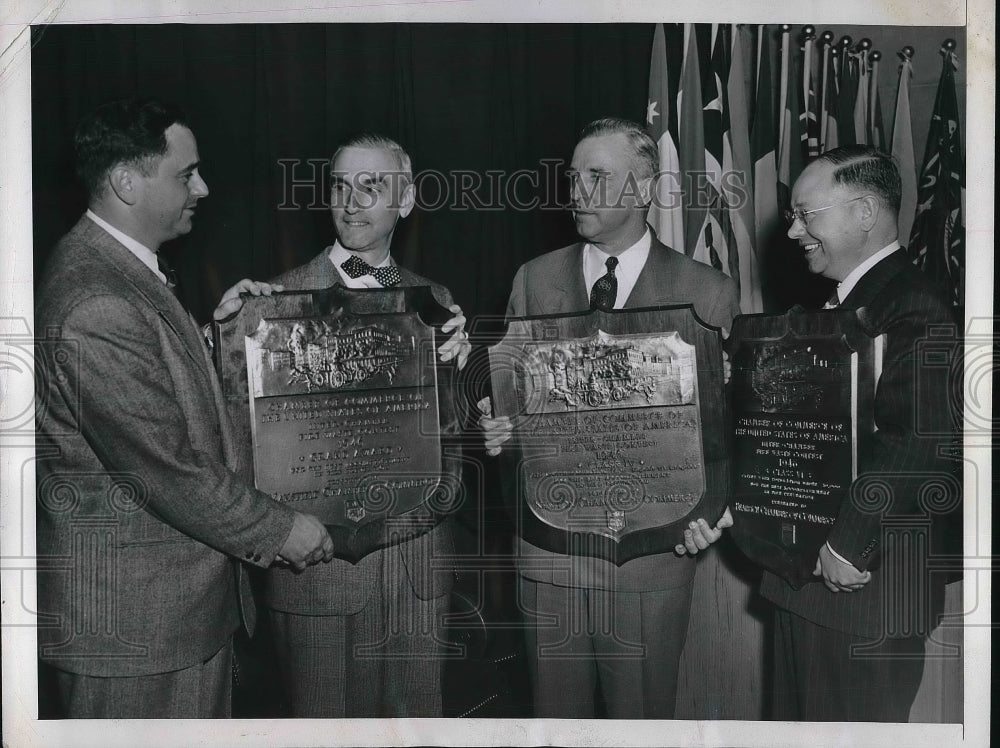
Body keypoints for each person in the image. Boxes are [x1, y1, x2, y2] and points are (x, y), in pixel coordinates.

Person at [35, 97, 335, 719]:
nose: (203, 186)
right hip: (138, 633)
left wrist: (213, 341)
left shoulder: (113, 270)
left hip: (165, 620)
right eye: (185, 174)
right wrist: (281, 530)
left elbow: (143, 396)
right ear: (125, 182)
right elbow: (163, 466)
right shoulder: (96, 299)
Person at [479, 118, 737, 718]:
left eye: (598, 176)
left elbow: (723, 429)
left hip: (651, 560)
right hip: (551, 555)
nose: (577, 191)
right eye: (574, 177)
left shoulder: (707, 289)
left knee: (641, 722)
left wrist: (713, 509)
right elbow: (510, 406)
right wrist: (497, 431)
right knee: (555, 723)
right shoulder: (533, 279)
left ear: (645, 188)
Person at [237, 133, 470, 717]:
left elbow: (453, 443)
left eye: (371, 187)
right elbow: (241, 446)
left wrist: (460, 380)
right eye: (340, 186)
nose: (351, 201)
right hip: (319, 576)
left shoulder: (434, 300)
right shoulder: (277, 302)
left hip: (416, 573)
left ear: (406, 200)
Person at [756, 145, 959, 721]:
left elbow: (916, 438)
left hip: (862, 583)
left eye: (807, 214)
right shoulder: (840, 302)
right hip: (810, 579)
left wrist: (849, 540)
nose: (793, 230)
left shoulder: (914, 303)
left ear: (865, 212)